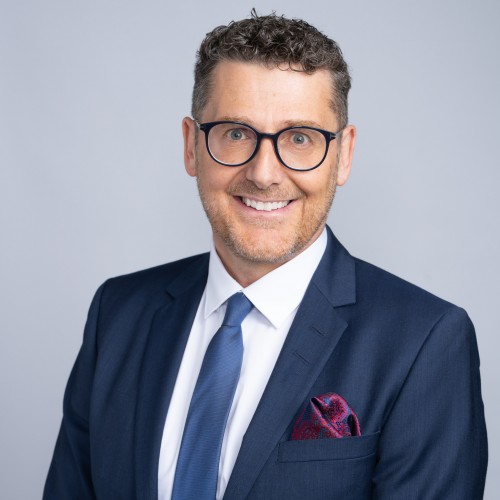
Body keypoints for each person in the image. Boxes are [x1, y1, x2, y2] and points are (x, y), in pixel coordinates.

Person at [43, 11, 488, 500]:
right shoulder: (118, 313)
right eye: (236, 133)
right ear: (192, 146)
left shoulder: (425, 342)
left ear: (343, 156)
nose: (264, 173)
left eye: (300, 138)